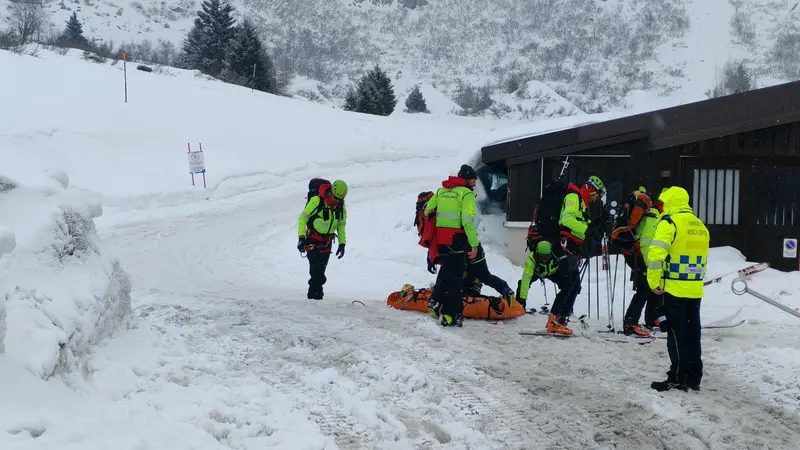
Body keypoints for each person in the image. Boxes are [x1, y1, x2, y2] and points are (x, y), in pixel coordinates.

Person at [647, 186, 709, 392]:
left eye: (664, 203)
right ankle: (694, 376)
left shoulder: (669, 222)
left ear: (670, 202)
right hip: (695, 289)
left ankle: (677, 376)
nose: (662, 206)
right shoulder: (699, 225)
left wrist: (654, 283)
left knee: (675, 334)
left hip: (674, 288)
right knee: (693, 333)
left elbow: (656, 255)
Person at [546, 175, 606, 335]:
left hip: (572, 248)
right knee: (568, 285)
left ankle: (562, 319)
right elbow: (566, 220)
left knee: (575, 286)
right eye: (597, 196)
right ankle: (553, 320)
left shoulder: (582, 202)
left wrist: (592, 228)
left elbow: (580, 223)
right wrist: (587, 230)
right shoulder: (573, 197)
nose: (596, 200)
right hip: (564, 246)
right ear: (592, 190)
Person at [423, 164, 480, 327]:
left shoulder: (442, 191)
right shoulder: (466, 194)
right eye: (474, 181)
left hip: (442, 240)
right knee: (455, 280)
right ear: (467, 180)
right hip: (458, 239)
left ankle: (435, 300)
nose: (475, 184)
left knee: (446, 272)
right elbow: (467, 222)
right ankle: (449, 315)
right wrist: (474, 245)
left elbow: (427, 210)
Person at [610, 187, 664, 336]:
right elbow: (647, 243)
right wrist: (650, 264)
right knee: (645, 288)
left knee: (651, 287)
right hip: (640, 256)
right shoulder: (653, 217)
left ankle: (651, 319)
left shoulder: (653, 215)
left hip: (636, 254)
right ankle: (631, 323)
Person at [297, 179, 348, 300]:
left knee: (320, 272)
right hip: (312, 240)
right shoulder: (317, 201)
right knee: (316, 272)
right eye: (335, 198)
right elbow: (302, 218)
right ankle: (315, 297)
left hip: (327, 243)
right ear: (331, 192)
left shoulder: (340, 206)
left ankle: (315, 299)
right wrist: (301, 237)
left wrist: (342, 244)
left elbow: (341, 225)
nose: (337, 201)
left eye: (340, 199)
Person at [516, 240, 560, 310]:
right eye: (542, 257)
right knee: (521, 284)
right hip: (537, 272)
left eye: (547, 257)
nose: (544, 260)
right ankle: (519, 306)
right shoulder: (531, 260)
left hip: (553, 272)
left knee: (567, 284)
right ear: (537, 253)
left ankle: (565, 307)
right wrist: (522, 298)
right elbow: (526, 280)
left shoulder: (557, 255)